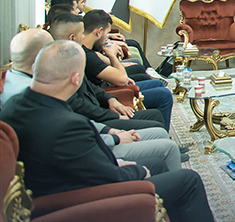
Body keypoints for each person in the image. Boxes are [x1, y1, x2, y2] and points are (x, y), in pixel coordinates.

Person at [0, 41, 235, 222]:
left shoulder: (15, 105)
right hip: (87, 200)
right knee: (188, 180)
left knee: (159, 164)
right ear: (76, 79)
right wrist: (136, 171)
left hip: (60, 184)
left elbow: (83, 162)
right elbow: (110, 177)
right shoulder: (66, 124)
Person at [3, 28, 182, 170]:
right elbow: (75, 139)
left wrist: (110, 125)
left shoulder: (23, 88)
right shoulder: (38, 94)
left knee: (160, 135)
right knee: (169, 159)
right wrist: (116, 140)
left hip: (94, 134)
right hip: (91, 158)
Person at [48, 16, 166, 132]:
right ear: (72, 38)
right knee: (157, 124)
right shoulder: (60, 67)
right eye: (82, 33)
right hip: (94, 123)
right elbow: (78, 105)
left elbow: (89, 86)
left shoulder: (71, 57)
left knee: (155, 115)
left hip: (100, 109)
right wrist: (114, 116)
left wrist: (110, 99)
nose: (83, 36)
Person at [78, 11, 174, 130]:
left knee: (157, 84)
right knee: (164, 95)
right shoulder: (86, 55)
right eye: (107, 34)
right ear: (99, 32)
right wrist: (112, 55)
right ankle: (162, 134)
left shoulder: (88, 51)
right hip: (109, 94)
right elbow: (122, 79)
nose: (107, 38)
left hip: (106, 92)